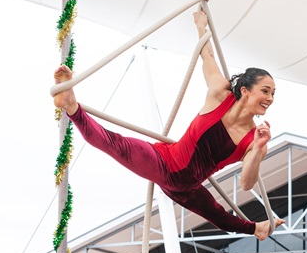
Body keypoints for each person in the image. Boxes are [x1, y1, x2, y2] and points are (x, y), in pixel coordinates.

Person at [53, 12, 283, 239]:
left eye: (273, 94)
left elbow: (246, 183)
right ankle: (71, 106)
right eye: (265, 91)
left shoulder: (256, 139)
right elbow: (208, 56)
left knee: (221, 217)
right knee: (115, 143)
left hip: (188, 187)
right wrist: (201, 26)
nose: (270, 98)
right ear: (245, 90)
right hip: (163, 162)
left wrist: (259, 146)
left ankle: (257, 229)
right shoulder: (219, 94)